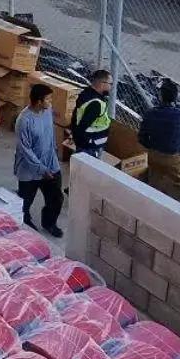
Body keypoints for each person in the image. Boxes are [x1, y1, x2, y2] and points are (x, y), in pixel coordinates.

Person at [14, 83, 64, 238]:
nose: (50, 102)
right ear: (38, 101)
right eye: (48, 99)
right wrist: (41, 169)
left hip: (51, 163)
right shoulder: (24, 120)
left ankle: (49, 223)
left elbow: (50, 135)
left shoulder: (47, 111)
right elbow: (26, 150)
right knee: (25, 200)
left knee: (56, 198)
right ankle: (25, 221)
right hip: (30, 170)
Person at [139, 78, 180, 203]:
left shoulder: (150, 113)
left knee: (154, 177)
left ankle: (151, 203)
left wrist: (152, 147)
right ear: (175, 98)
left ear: (160, 96)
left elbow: (142, 138)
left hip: (154, 155)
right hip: (173, 158)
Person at [70, 70, 112, 158]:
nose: (111, 87)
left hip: (86, 144)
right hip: (90, 146)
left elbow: (76, 117)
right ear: (102, 83)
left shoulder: (86, 94)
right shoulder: (96, 104)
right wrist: (85, 142)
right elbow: (83, 125)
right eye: (110, 84)